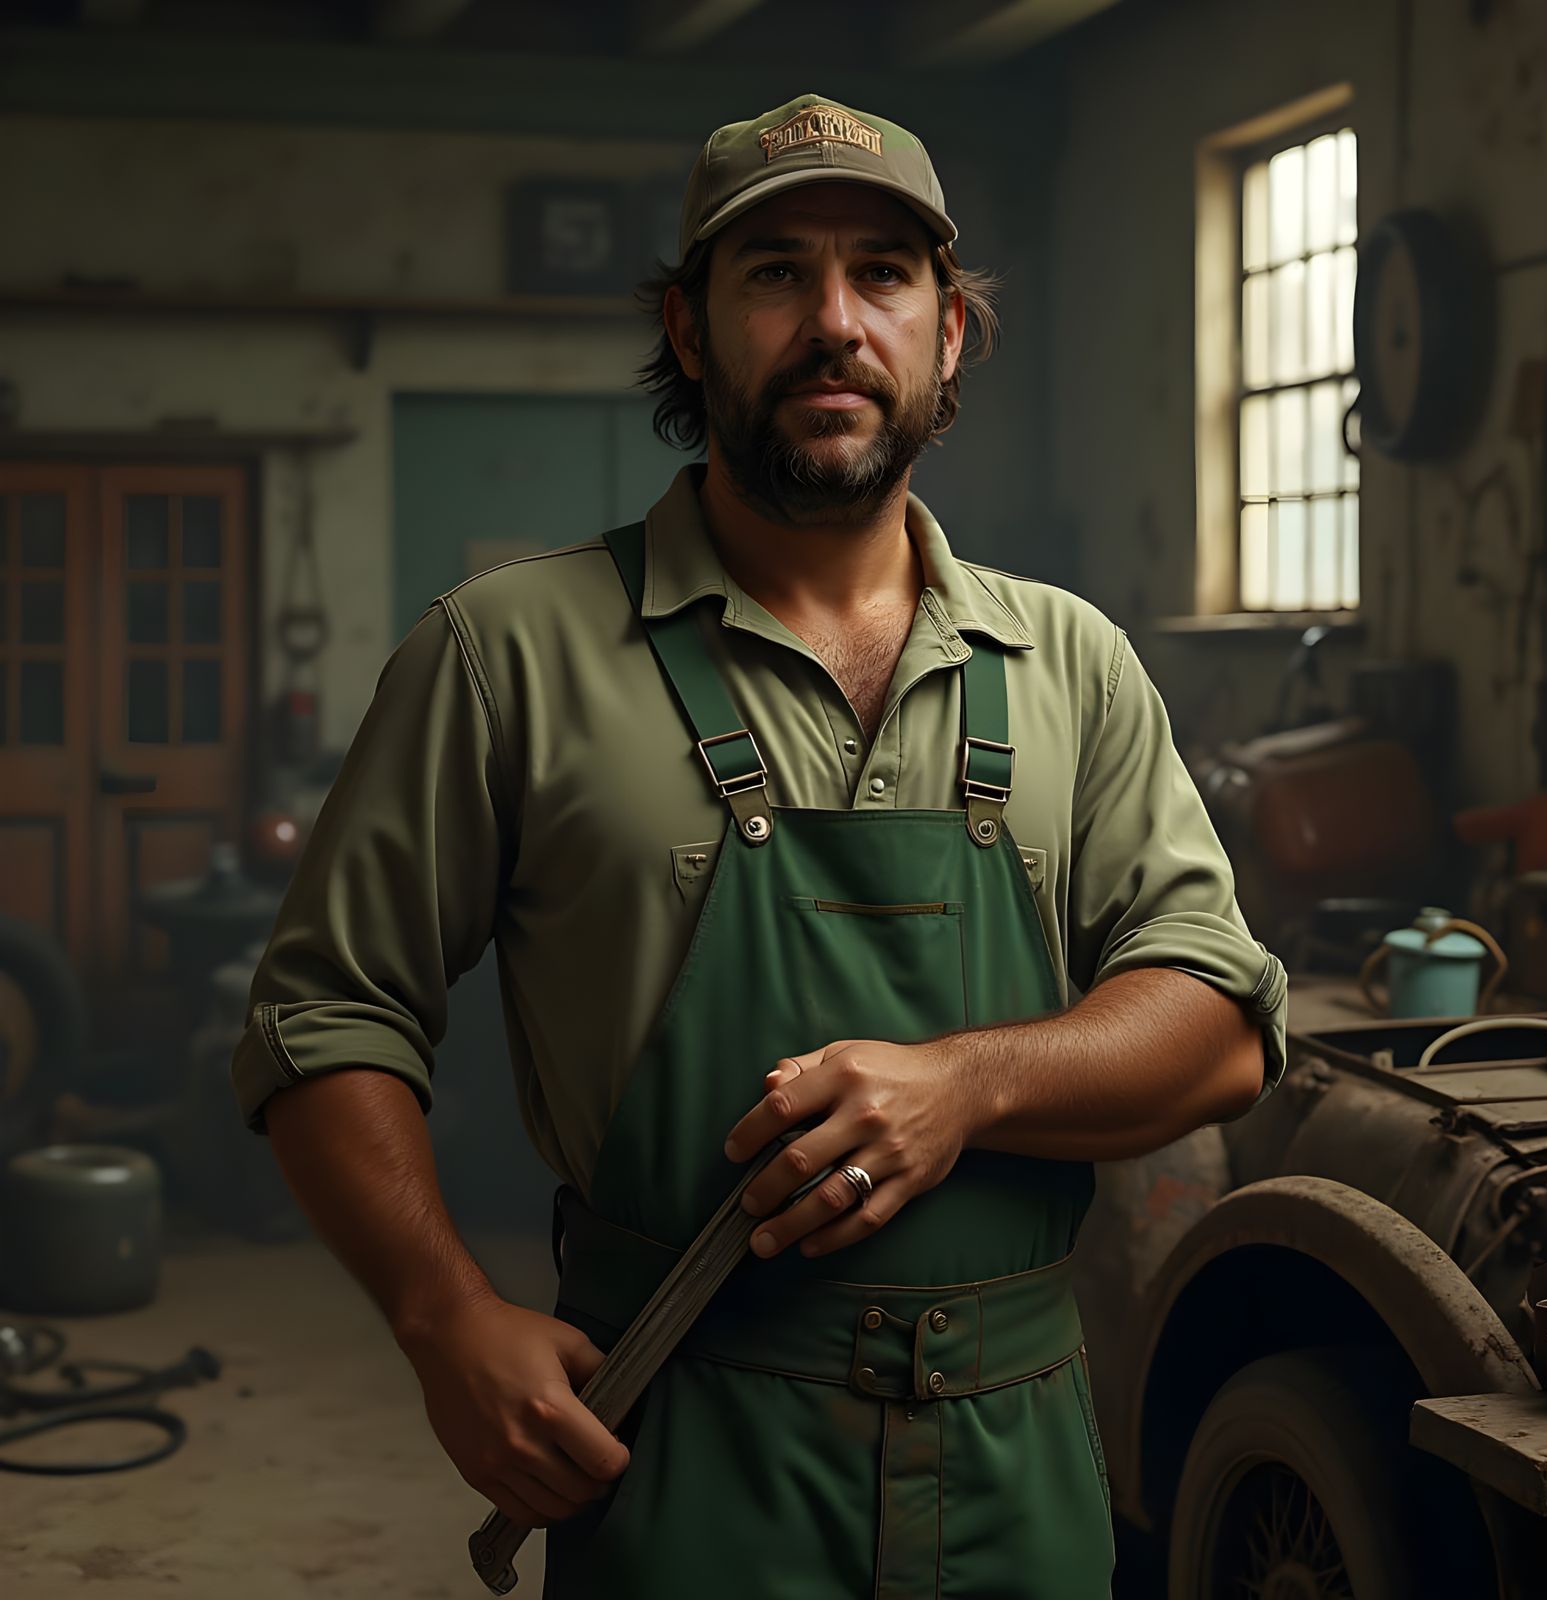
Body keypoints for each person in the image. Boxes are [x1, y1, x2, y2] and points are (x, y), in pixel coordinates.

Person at [231, 92, 1287, 1600]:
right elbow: (325, 1012)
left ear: (949, 333)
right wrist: (441, 1315)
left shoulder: (1073, 663)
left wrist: (967, 1084)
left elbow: (1222, 1024)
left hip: (1019, 1466)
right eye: (777, 272)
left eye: (883, 275)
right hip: (681, 1441)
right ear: (689, 327)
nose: (835, 322)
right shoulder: (506, 654)